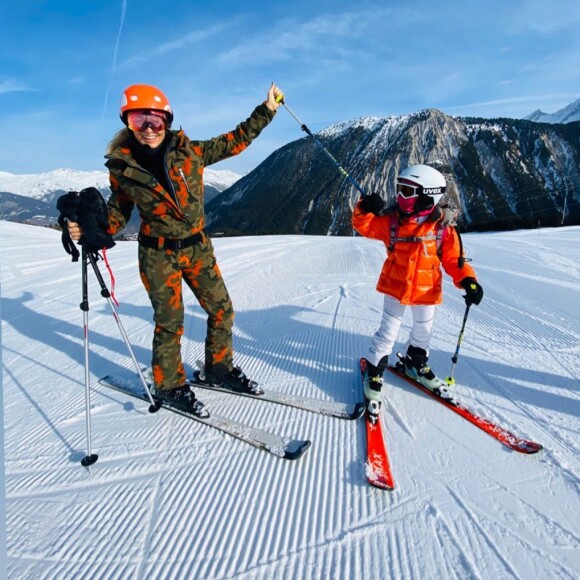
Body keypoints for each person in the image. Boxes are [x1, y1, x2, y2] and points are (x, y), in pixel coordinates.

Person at [68, 82, 284, 415]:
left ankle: (218, 369)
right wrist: (85, 227)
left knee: (222, 309)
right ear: (127, 123)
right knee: (170, 322)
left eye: (155, 119)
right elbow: (118, 214)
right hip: (158, 256)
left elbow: (237, 140)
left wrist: (267, 110)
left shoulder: (191, 151)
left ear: (167, 120)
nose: (149, 128)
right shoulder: (122, 170)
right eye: (139, 120)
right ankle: (168, 385)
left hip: (198, 248)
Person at [352, 164, 483, 408]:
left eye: (407, 191)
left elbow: (454, 260)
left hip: (427, 290)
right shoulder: (391, 221)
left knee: (424, 331)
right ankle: (374, 368)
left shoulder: (442, 230)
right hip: (395, 287)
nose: (399, 196)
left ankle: (415, 362)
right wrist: (364, 208)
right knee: (388, 332)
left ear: (428, 196)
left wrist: (468, 280)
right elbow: (365, 226)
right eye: (399, 189)